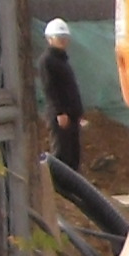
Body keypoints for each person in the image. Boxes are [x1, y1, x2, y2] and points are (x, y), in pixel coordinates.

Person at [39, 18, 85, 174]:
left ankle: (72, 191)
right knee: (62, 154)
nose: (63, 41)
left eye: (65, 38)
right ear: (50, 39)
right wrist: (60, 112)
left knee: (73, 155)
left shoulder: (62, 61)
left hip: (71, 114)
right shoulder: (47, 61)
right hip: (61, 115)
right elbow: (50, 88)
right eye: (59, 38)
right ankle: (58, 189)